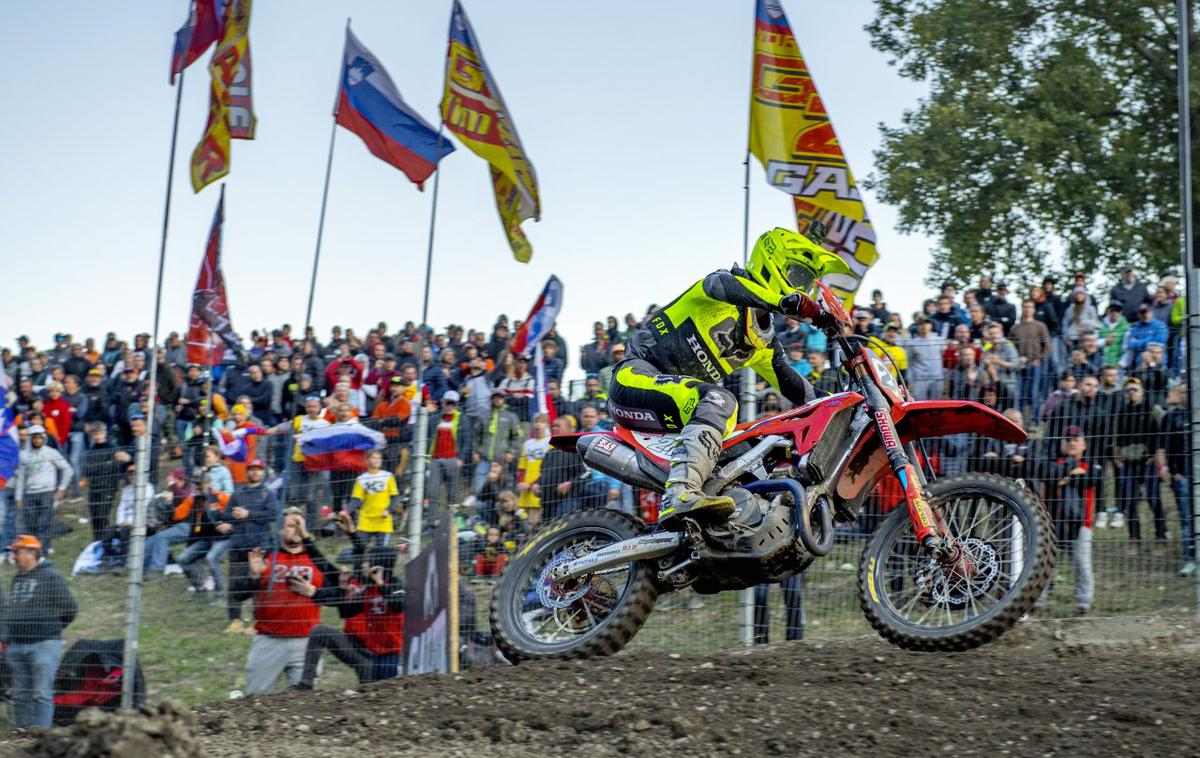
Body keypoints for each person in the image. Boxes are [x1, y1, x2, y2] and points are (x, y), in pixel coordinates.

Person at [609, 227, 842, 526]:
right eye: (797, 277)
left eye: (805, 284)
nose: (801, 289)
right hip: (634, 379)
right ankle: (679, 492)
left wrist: (845, 404)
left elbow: (804, 395)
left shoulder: (763, 343)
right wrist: (783, 302)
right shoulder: (722, 287)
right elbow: (722, 285)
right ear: (772, 263)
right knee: (720, 400)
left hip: (678, 416)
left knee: (746, 444)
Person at [295, 514, 405, 689]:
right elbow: (345, 610)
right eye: (363, 563)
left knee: (380, 693)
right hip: (358, 649)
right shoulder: (359, 586)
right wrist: (340, 590)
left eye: (367, 563)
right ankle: (306, 684)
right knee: (319, 632)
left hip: (387, 654)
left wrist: (381, 584)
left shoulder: (392, 584)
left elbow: (399, 604)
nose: (362, 565)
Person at [237, 509, 338, 694]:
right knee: (256, 700)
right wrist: (253, 576)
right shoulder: (265, 556)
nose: (297, 530)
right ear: (280, 530)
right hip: (269, 641)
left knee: (305, 706)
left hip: (307, 644)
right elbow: (237, 594)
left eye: (301, 525)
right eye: (291, 525)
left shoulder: (315, 558)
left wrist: (313, 592)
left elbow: (338, 596)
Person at [1, 535, 77, 728]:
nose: (14, 557)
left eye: (17, 552)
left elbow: (70, 608)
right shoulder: (17, 578)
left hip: (44, 644)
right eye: (13, 553)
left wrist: (51, 628)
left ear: (32, 553)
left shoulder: (51, 576)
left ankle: (41, 737)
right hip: (17, 644)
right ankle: (22, 737)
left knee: (42, 693)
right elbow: (11, 610)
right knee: (20, 694)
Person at [220, 459, 279, 633]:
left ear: (263, 472)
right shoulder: (238, 494)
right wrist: (229, 520)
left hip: (259, 545)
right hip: (238, 544)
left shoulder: (268, 493)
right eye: (252, 469)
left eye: (258, 469)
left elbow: (273, 515)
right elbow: (226, 514)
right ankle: (235, 620)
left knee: (258, 584)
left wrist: (248, 514)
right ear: (247, 472)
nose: (255, 472)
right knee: (234, 583)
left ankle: (258, 621)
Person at [1157, 380, 1196, 576]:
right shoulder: (1170, 418)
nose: (1186, 394)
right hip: (1182, 477)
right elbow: (1161, 447)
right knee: (1187, 520)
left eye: (1189, 390)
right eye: (1183, 392)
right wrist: (1165, 468)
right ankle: (1190, 559)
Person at [14, 425, 72, 552]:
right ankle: (32, 552)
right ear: (31, 438)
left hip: (47, 492)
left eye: (39, 437)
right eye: (34, 437)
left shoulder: (51, 452)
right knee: (31, 526)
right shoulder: (23, 455)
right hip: (30, 494)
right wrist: (18, 497)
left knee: (44, 525)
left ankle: (43, 554)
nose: (36, 440)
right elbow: (21, 477)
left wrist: (61, 488)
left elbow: (67, 469)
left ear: (43, 438)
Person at [347, 450, 400, 547]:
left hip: (383, 521)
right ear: (367, 461)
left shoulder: (388, 476)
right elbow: (355, 499)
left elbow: (395, 498)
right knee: (359, 549)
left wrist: (388, 510)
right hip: (365, 521)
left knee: (380, 553)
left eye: (379, 458)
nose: (377, 460)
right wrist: (346, 511)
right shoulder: (361, 479)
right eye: (374, 458)